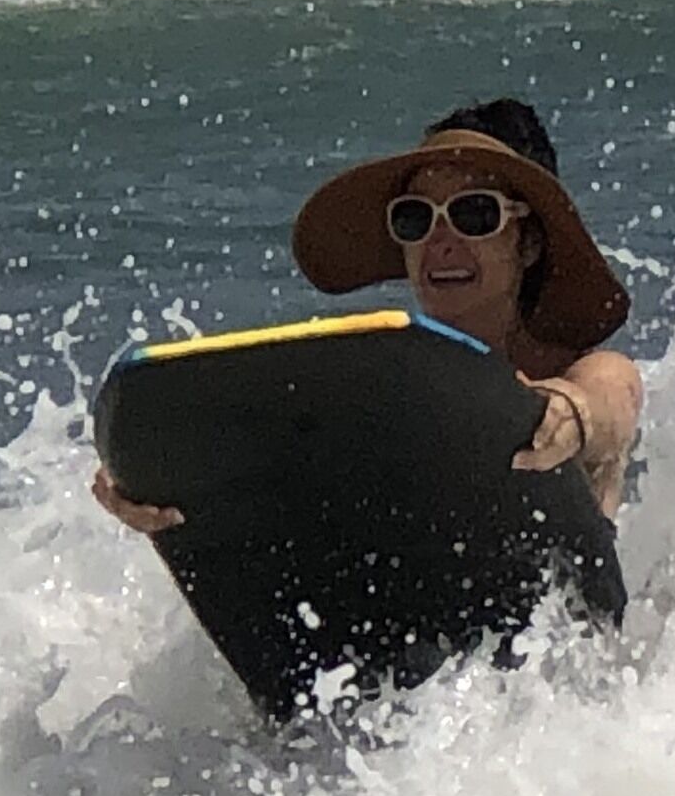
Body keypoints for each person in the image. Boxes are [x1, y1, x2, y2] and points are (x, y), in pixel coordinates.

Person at [91, 99, 644, 538]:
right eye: (415, 218)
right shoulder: (380, 386)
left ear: (528, 245)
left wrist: (570, 416)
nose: (440, 241)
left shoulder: (587, 372)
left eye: (474, 214)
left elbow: (611, 401)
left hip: (565, 664)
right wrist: (155, 484)